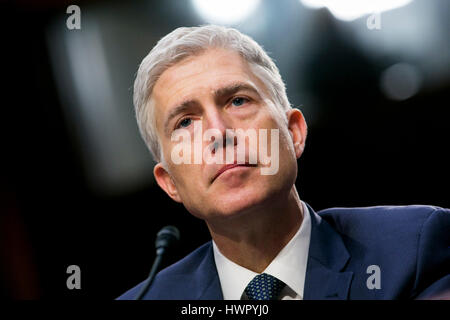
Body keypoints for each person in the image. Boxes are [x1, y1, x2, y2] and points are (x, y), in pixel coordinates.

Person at [118, 25, 450, 300]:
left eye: (237, 101)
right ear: (169, 183)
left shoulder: (415, 249)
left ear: (294, 132)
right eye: (186, 122)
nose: (218, 133)